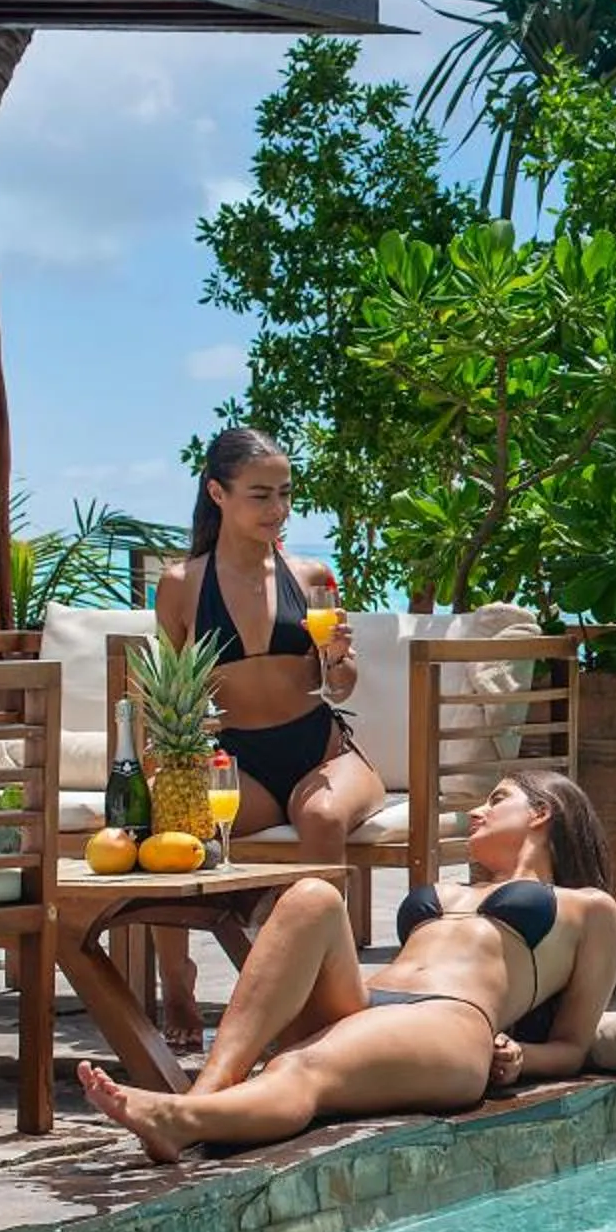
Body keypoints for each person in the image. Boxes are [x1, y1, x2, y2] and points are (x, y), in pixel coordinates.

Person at [78, 769, 616, 1163]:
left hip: (449, 1023)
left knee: (298, 1068)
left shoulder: (588, 909)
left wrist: (522, 1057)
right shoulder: (459, 887)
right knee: (313, 894)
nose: (477, 810)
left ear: (540, 813)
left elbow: (575, 1044)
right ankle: (205, 1092)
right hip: (367, 1004)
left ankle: (183, 1121)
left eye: (496, 799)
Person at [147, 427, 388, 1048]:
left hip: (319, 748)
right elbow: (172, 688)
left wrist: (337, 657)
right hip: (240, 761)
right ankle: (177, 978)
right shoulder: (182, 584)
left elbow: (342, 687)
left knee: (324, 815)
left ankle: (326, 991)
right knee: (172, 828)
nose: (277, 510)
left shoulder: (310, 575)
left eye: (284, 495)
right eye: (260, 496)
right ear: (217, 494)